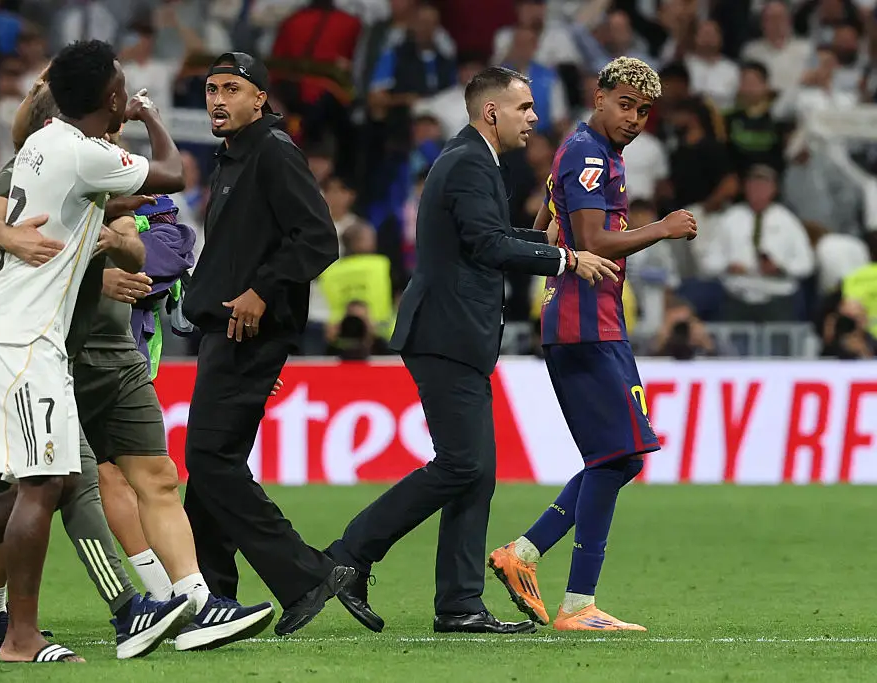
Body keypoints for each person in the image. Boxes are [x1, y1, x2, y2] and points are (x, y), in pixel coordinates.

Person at [0, 39, 188, 664]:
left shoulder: (46, 142)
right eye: (121, 88)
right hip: (24, 339)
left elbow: (90, 204)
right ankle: (14, 630)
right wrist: (151, 117)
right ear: (110, 97)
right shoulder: (83, 151)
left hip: (20, 334)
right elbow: (175, 173)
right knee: (42, 484)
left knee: (46, 481)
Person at [325, 66, 620, 635]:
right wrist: (565, 258)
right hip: (445, 333)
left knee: (476, 471)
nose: (534, 117)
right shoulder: (467, 163)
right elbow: (486, 245)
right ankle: (350, 553)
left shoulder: (475, 162)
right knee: (463, 464)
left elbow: (482, 237)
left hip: (455, 334)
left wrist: (541, 240)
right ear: (493, 112)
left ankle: (459, 605)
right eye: (525, 107)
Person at [487, 56, 697, 632]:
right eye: (625, 103)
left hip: (596, 323)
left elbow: (549, 227)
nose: (633, 118)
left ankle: (525, 554)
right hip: (585, 325)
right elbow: (591, 239)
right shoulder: (587, 153)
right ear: (598, 95)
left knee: (619, 455)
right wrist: (663, 228)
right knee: (616, 456)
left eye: (644, 110)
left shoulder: (596, 154)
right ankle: (577, 604)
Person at [180, 52, 351, 637]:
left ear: (260, 98)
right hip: (223, 328)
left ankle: (303, 574)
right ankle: (211, 596)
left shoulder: (274, 151)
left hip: (246, 329)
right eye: (210, 90)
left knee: (209, 460)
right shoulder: (233, 156)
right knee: (208, 468)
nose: (217, 100)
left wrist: (261, 291)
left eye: (231, 89)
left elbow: (318, 240)